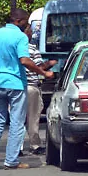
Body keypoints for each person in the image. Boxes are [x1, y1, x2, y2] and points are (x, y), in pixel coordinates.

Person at [0, 9, 54, 170]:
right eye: (25, 22)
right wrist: (43, 72)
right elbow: (25, 61)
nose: (26, 25)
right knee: (17, 122)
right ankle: (11, 160)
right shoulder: (20, 37)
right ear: (19, 21)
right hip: (16, 84)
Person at [24, 24, 57, 155]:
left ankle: (17, 147)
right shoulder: (31, 49)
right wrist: (50, 63)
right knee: (33, 117)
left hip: (15, 87)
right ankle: (35, 145)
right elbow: (39, 67)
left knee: (17, 118)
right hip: (31, 86)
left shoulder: (11, 48)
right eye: (30, 32)